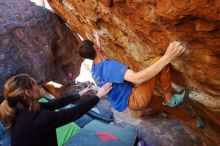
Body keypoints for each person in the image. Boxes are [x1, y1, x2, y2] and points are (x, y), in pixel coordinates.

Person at [77, 34, 206, 129]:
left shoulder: (95, 70)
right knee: (159, 61)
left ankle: (195, 123)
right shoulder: (109, 66)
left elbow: (98, 54)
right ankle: (170, 98)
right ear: (95, 47)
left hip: (131, 102)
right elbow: (137, 78)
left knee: (165, 106)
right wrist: (168, 56)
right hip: (136, 97)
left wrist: (97, 40)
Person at [0, 74, 112, 146]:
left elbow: (54, 104)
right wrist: (98, 96)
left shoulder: (22, 109)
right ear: (28, 93)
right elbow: (74, 113)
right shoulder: (37, 119)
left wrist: (80, 93)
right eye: (35, 84)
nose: (38, 86)